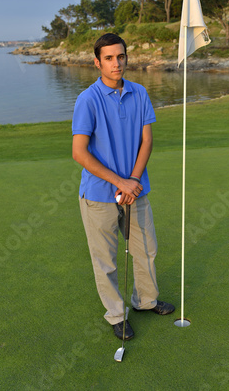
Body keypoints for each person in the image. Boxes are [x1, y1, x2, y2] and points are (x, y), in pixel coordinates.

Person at [72, 33, 175, 340]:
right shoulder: (87, 100)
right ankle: (117, 314)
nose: (116, 64)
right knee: (105, 260)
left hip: (135, 190)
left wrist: (133, 182)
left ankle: (144, 302)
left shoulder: (140, 92)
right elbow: (79, 152)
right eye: (108, 58)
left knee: (147, 250)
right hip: (99, 195)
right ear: (97, 62)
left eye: (120, 57)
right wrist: (120, 182)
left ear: (126, 58)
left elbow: (147, 140)